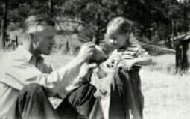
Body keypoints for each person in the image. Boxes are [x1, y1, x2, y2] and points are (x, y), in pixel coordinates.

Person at [0, 16, 100, 119]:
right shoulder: (11, 60)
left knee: (84, 91)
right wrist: (79, 59)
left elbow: (58, 91)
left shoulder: (41, 64)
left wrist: (81, 78)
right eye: (49, 38)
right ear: (33, 37)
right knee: (32, 89)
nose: (53, 42)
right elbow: (45, 84)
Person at [89, 17, 152, 119]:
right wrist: (103, 67)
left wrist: (134, 61)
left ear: (126, 35)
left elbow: (149, 60)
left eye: (115, 38)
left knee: (133, 111)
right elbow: (107, 65)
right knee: (116, 111)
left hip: (131, 87)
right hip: (116, 88)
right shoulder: (115, 52)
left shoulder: (135, 49)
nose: (112, 41)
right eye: (110, 38)